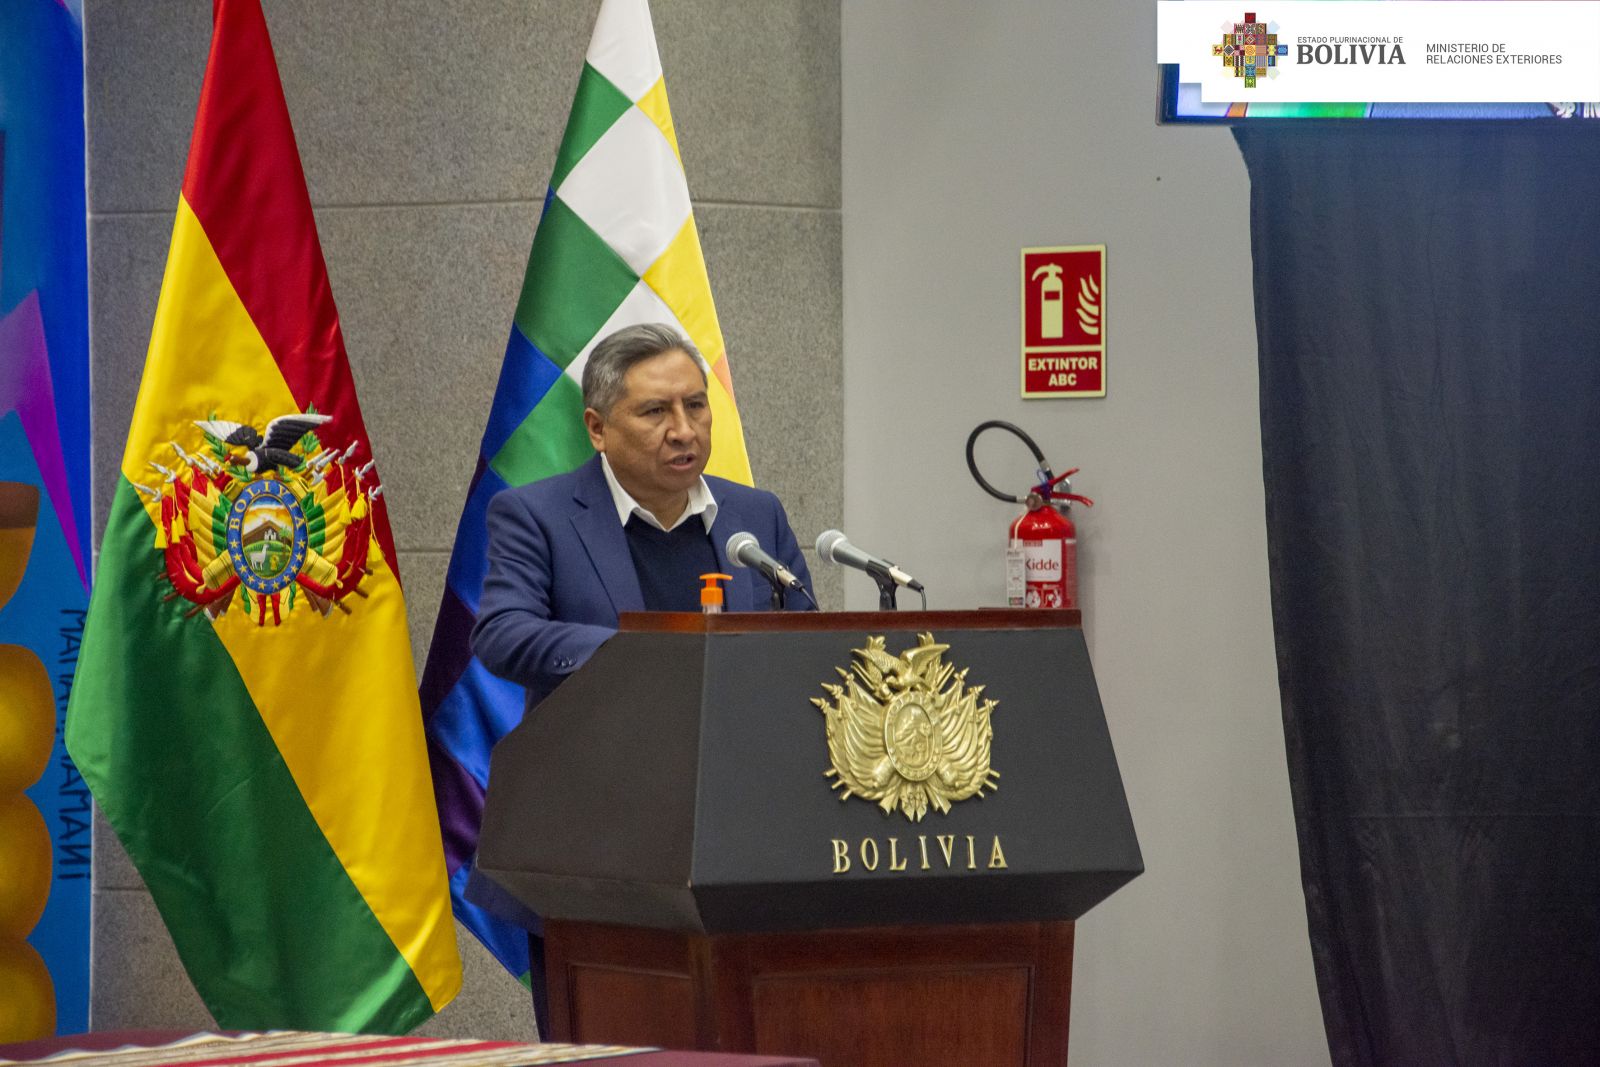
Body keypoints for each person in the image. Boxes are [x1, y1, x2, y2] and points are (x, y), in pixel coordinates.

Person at [472, 322, 814, 712]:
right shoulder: (538, 516)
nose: (683, 431)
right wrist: (641, 653)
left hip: (736, 743)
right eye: (655, 411)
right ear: (598, 429)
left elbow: (807, 638)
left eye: (695, 406)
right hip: (604, 743)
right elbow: (503, 633)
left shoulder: (757, 512)